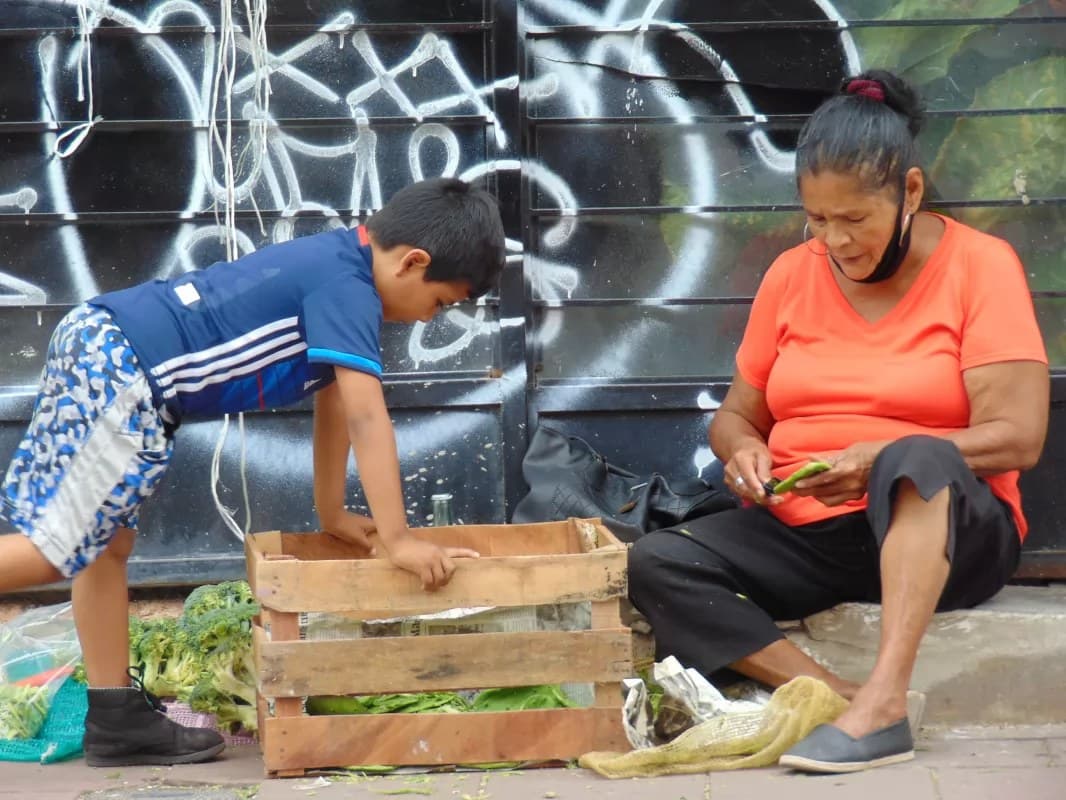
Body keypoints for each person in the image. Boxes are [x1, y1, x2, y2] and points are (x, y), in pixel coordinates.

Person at [0, 177, 506, 766]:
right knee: (57, 551)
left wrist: (332, 512)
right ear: (413, 262)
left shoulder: (341, 263)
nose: (428, 319)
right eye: (441, 302)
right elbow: (369, 417)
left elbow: (336, 401)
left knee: (107, 543)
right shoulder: (348, 286)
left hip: (103, 343)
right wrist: (398, 540)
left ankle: (115, 720)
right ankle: (114, 718)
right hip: (121, 371)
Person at [627, 70, 1049, 774]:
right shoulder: (793, 274)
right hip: (812, 529)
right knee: (656, 562)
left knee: (915, 459)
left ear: (909, 192)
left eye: (855, 219)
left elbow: (1020, 436)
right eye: (817, 220)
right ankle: (839, 696)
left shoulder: (981, 267)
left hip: (947, 527)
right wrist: (744, 452)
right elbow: (736, 415)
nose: (835, 241)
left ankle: (883, 704)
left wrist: (881, 455)